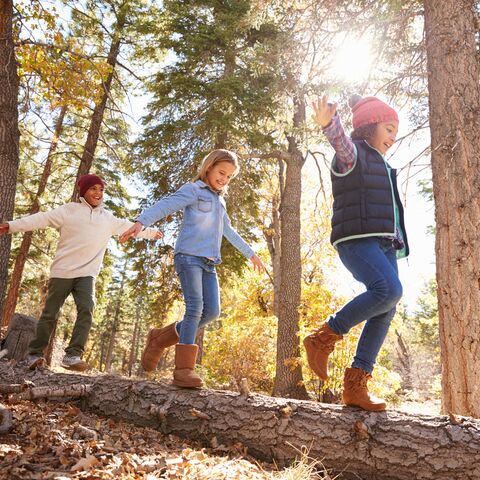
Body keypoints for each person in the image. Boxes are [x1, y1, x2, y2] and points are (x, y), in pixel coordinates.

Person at [120, 149, 265, 388]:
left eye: (229, 176)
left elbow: (228, 231)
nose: (224, 179)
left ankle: (159, 338)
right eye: (221, 173)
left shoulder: (220, 201)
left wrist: (251, 254)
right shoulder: (193, 190)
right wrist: (140, 222)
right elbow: (166, 205)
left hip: (209, 263)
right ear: (208, 167)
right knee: (195, 307)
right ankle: (184, 370)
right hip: (188, 257)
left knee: (212, 312)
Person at [304, 94, 409, 411]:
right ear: (368, 127)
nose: (393, 137)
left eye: (395, 131)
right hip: (357, 239)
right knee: (388, 289)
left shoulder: (384, 164)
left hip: (384, 243)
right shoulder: (355, 155)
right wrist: (330, 124)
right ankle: (323, 337)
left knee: (386, 306)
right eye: (389, 129)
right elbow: (340, 143)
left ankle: (355, 385)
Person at [0, 173, 161, 371]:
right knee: (50, 313)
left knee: (87, 307)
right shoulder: (69, 211)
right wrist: (11, 226)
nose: (98, 193)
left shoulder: (107, 218)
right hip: (62, 271)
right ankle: (34, 354)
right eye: (93, 188)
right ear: (83, 190)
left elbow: (129, 227)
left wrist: (152, 233)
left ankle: (73, 355)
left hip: (87, 274)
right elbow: (41, 219)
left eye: (101, 189)